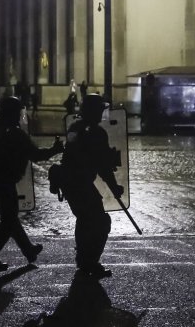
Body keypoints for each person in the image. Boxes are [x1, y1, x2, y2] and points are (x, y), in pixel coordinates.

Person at [0, 96, 63, 272]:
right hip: (5, 181)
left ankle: (28, 250)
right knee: (8, 220)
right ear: (13, 113)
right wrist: (55, 149)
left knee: (10, 218)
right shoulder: (14, 133)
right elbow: (36, 155)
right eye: (18, 112)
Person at [60, 93, 125, 278]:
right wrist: (114, 187)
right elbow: (103, 165)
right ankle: (91, 262)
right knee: (101, 222)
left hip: (70, 182)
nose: (102, 113)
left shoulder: (75, 127)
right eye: (100, 110)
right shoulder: (96, 132)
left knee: (84, 220)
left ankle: (83, 260)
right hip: (80, 184)